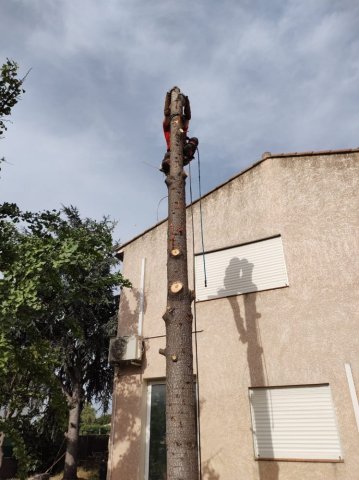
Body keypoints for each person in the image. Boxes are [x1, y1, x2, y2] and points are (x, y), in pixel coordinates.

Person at [160, 90, 197, 174]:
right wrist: (168, 97)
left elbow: (188, 118)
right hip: (170, 152)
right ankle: (167, 165)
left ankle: (185, 156)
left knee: (194, 140)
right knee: (167, 159)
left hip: (183, 152)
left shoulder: (182, 129)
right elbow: (166, 115)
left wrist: (187, 103)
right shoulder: (168, 128)